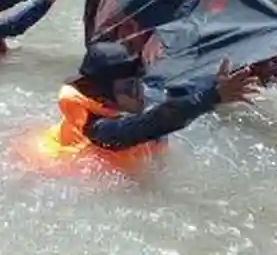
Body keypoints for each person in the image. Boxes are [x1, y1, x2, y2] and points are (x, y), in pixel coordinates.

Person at [37, 42, 259, 175]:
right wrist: (212, 97)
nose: (140, 93)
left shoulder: (132, 98)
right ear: (104, 96)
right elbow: (151, 123)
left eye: (137, 82)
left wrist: (214, 86)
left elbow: (176, 93)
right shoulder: (99, 130)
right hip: (72, 167)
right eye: (129, 87)